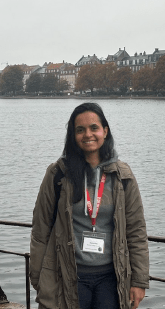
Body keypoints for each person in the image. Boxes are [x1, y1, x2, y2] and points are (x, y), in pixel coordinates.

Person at [30, 102, 149, 309]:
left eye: (94, 128)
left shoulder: (122, 176)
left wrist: (139, 281)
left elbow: (136, 231)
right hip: (67, 276)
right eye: (80, 130)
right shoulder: (58, 174)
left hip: (111, 279)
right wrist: (38, 277)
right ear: (73, 135)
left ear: (105, 131)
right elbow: (41, 231)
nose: (88, 134)